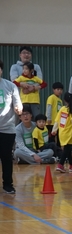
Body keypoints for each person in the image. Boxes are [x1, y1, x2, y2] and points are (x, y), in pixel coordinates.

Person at [0, 59, 23, 194]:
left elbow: (18, 103)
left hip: (7, 128)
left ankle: (8, 184)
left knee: (6, 157)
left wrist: (18, 108)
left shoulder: (10, 86)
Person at [10, 47, 43, 117]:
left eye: (28, 53)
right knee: (18, 119)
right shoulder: (14, 67)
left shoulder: (36, 67)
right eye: (24, 53)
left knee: (35, 119)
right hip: (19, 99)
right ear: (20, 55)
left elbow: (39, 80)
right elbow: (13, 80)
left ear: (31, 55)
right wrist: (22, 84)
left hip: (34, 99)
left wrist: (33, 88)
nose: (26, 55)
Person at [51, 92, 72, 173]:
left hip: (62, 133)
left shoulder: (62, 109)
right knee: (67, 149)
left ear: (65, 100)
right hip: (70, 134)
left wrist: (54, 130)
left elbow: (57, 121)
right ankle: (61, 164)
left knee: (68, 149)